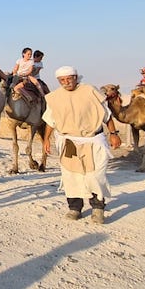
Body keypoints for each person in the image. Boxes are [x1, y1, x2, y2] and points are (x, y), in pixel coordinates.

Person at [42, 66, 122, 224]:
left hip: (93, 140)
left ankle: (98, 208)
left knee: (95, 176)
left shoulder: (90, 91)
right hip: (69, 142)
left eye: (69, 78)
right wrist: (46, 139)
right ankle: (75, 208)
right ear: (58, 81)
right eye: (62, 80)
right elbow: (50, 120)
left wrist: (113, 134)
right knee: (71, 175)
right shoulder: (54, 97)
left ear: (76, 77)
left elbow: (106, 115)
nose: (66, 82)